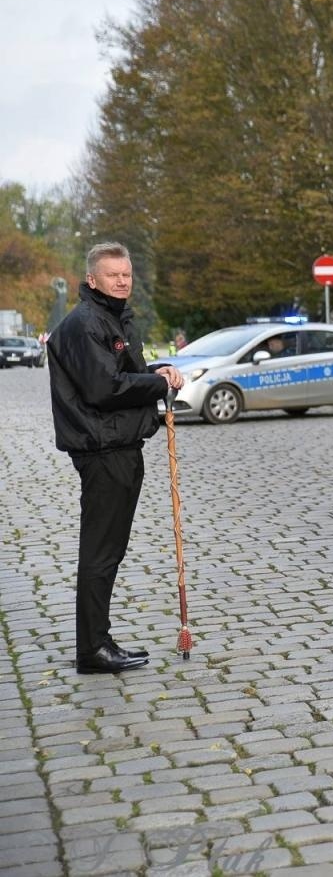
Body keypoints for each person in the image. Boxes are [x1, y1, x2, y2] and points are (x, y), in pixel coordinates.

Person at [48, 242, 185, 673]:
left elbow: (127, 373)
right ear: (92, 279)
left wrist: (159, 372)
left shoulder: (112, 318)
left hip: (122, 446)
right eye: (113, 275)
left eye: (126, 274)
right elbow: (103, 389)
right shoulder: (84, 324)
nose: (122, 281)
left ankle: (99, 639)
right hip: (102, 450)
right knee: (101, 552)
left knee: (110, 550)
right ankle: (92, 650)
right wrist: (157, 385)